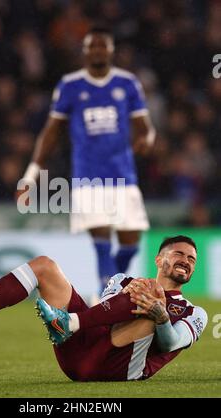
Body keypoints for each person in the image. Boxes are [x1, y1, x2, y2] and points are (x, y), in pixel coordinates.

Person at [0, 235, 207, 381]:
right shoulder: (122, 280)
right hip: (80, 353)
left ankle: (69, 322)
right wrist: (127, 293)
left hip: (118, 369)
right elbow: (104, 323)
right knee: (44, 266)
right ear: (159, 259)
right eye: (179, 254)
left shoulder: (195, 313)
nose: (186, 261)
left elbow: (171, 344)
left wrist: (160, 316)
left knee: (151, 300)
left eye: (192, 259)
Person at [19, 26, 156, 293]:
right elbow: (51, 131)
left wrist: (147, 140)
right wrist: (31, 173)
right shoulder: (70, 86)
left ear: (111, 50)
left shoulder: (127, 83)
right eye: (92, 46)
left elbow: (145, 127)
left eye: (102, 45)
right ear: (84, 51)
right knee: (101, 237)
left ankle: (106, 288)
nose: (97, 50)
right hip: (88, 175)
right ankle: (104, 296)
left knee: (131, 244)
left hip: (123, 174)